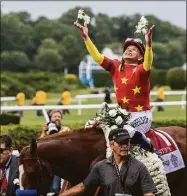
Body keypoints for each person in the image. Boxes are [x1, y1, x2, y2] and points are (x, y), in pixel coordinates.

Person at [74, 21, 155, 152]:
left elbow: (148, 62)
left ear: (140, 57)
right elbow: (97, 57)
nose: (129, 50)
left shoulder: (141, 70)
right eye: (127, 48)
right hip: (122, 115)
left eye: (134, 49)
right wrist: (86, 38)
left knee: (124, 132)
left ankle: (149, 147)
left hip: (141, 116)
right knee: (89, 126)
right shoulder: (116, 66)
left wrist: (149, 45)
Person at [60, 128, 157, 196]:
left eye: (127, 142)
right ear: (111, 144)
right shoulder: (101, 167)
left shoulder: (140, 167)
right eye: (120, 143)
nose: (124, 146)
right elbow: (83, 187)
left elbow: (148, 193)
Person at [38, 110, 70, 195]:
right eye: (55, 117)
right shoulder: (47, 130)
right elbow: (39, 143)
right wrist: (44, 132)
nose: (57, 118)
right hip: (47, 164)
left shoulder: (66, 129)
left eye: (59, 117)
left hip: (60, 163)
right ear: (50, 119)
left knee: (56, 187)